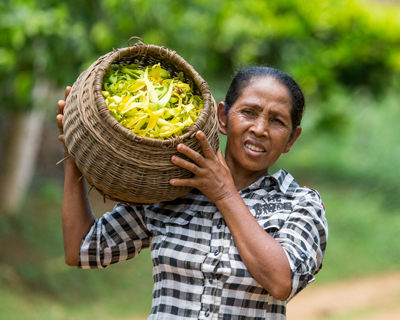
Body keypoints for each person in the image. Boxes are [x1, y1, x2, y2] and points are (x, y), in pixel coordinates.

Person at [56, 65, 328, 320]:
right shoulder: (173, 185)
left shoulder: (300, 204)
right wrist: (73, 154)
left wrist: (224, 194)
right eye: (249, 112)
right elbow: (82, 249)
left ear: (291, 138)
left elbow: (281, 282)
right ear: (223, 118)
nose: (260, 129)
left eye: (277, 121)